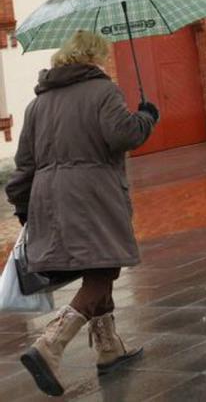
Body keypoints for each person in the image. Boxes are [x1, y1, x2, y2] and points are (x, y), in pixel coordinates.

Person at [5, 30, 158, 397]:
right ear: (92, 57)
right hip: (93, 195)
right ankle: (50, 344)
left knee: (98, 264)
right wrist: (146, 116)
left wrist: (23, 205)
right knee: (104, 269)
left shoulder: (37, 104)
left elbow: (24, 163)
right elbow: (123, 136)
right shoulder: (103, 91)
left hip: (48, 197)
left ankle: (109, 348)